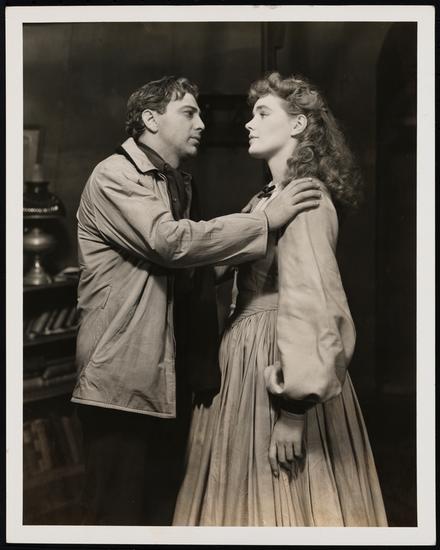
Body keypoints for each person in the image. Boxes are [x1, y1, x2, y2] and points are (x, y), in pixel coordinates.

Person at [71, 76, 322, 525]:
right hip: (121, 385)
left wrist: (253, 227)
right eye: (189, 113)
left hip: (168, 379)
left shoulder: (175, 185)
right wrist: (263, 222)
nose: (202, 123)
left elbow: (192, 273)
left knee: (162, 516)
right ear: (151, 120)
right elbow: (169, 243)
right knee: (116, 520)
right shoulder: (115, 175)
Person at [173, 72, 388, 526]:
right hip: (244, 360)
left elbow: (314, 302)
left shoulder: (306, 198)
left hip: (278, 360)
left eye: (262, 113)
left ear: (298, 124)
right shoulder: (266, 200)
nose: (249, 124)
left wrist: (293, 412)